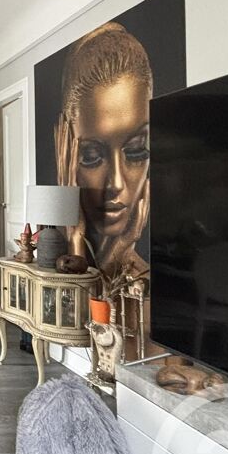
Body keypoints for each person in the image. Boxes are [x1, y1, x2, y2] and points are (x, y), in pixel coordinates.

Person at [54, 21, 152, 280]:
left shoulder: (146, 283)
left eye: (136, 151)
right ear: (65, 156)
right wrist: (78, 238)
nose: (116, 183)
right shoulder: (52, 241)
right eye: (91, 156)